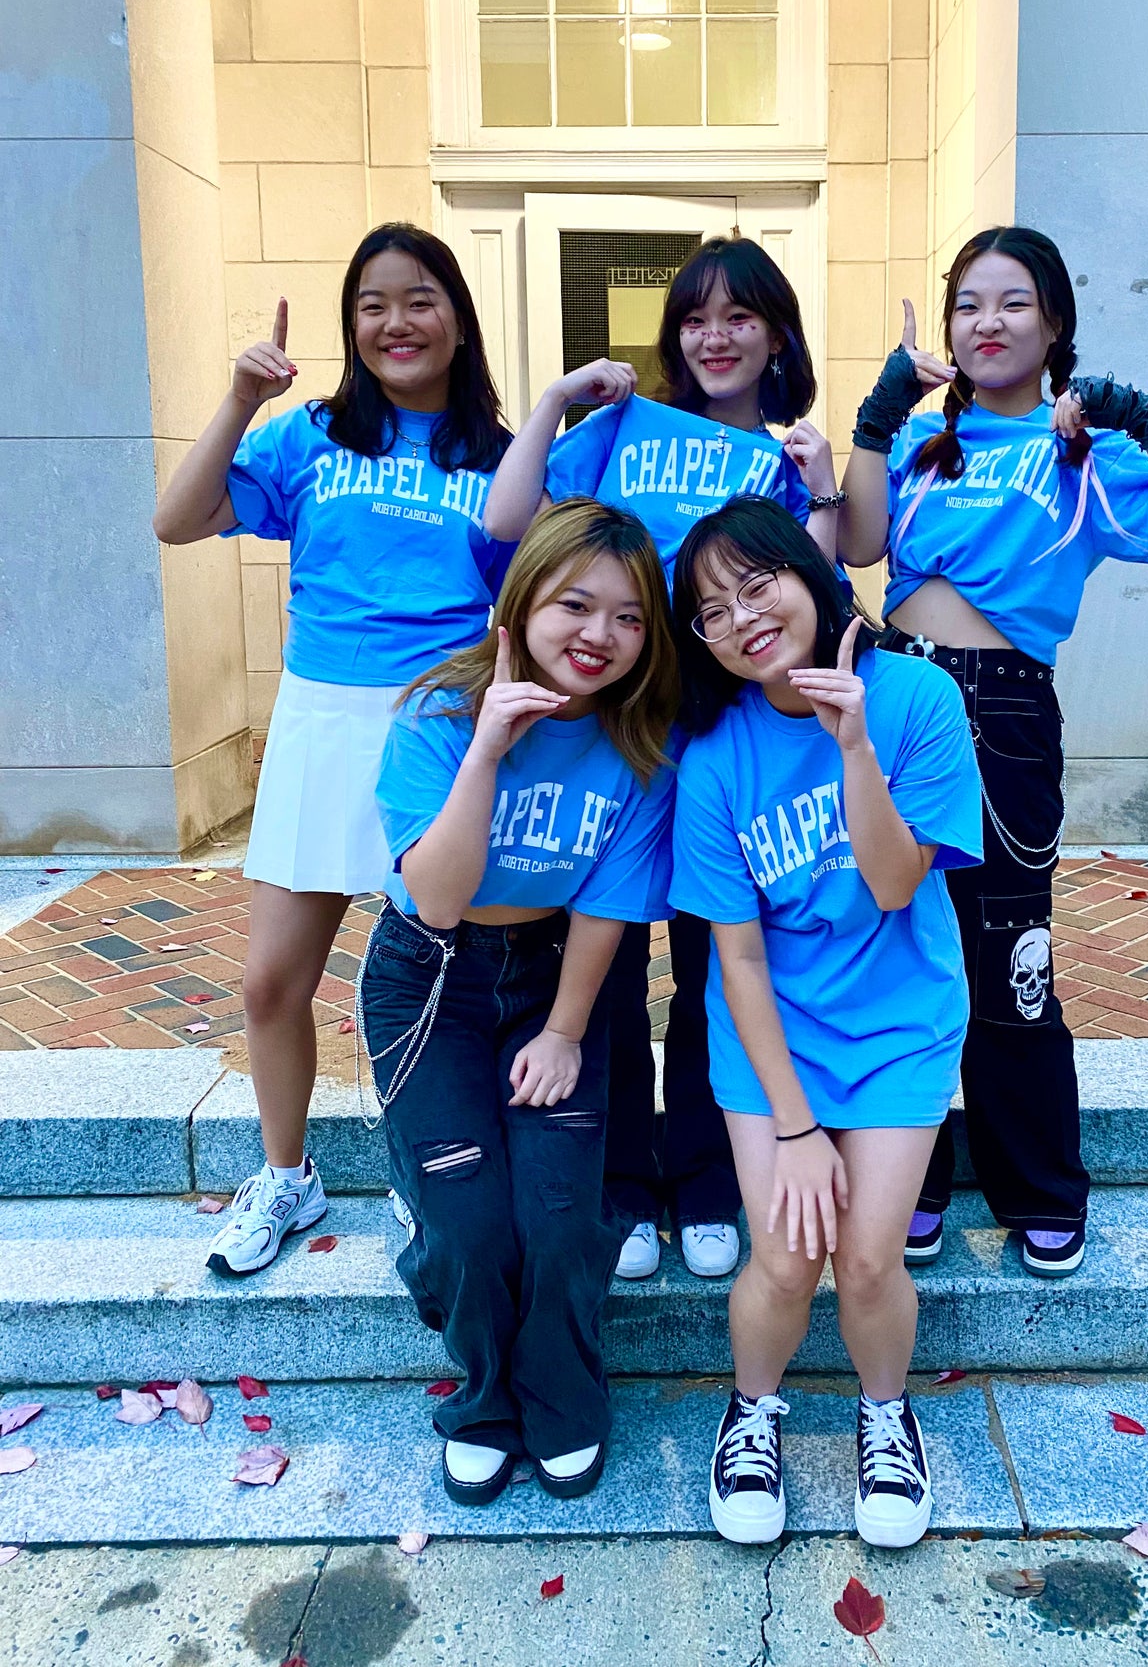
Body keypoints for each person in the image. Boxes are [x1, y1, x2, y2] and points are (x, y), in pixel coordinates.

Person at [838, 224, 1148, 1277]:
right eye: (967, 301)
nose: (986, 321)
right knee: (893, 936)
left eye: (1011, 301)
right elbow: (855, 545)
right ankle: (909, 1177)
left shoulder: (1084, 453)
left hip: (1004, 709)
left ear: (1053, 321)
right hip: (896, 692)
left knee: (1008, 958)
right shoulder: (928, 447)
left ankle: (1039, 1187)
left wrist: (1140, 416)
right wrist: (876, 423)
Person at [153, 223, 513, 1276]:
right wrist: (237, 399)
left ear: (457, 316)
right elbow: (176, 521)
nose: (396, 321)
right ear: (351, 326)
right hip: (321, 720)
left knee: (433, 989)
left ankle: (427, 1170)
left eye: (419, 298)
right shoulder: (307, 435)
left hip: (440, 727)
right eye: (372, 304)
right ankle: (288, 1174)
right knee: (272, 981)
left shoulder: (497, 455)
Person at [485, 237, 844, 1287]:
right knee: (594, 968)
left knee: (709, 966)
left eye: (738, 316)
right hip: (615, 732)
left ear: (776, 331)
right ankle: (621, 1184)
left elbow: (813, 604)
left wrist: (819, 494)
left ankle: (700, 1178)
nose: (714, 336)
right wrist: (554, 402)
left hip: (726, 745)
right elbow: (508, 522)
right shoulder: (619, 434)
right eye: (694, 317)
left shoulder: (785, 458)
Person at [668, 498, 982, 1548]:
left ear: (808, 574)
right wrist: (795, 1127)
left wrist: (851, 744)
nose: (743, 617)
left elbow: (895, 885)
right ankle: (751, 1410)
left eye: (757, 584)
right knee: (783, 1255)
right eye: (712, 610)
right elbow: (739, 956)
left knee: (864, 1255)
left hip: (899, 1020)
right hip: (775, 1031)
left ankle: (884, 1415)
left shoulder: (917, 699)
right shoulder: (713, 755)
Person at [358, 499, 679, 1506]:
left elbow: (605, 908)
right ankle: (484, 1398)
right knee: (468, 1227)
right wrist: (488, 753)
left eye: (628, 617)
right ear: (522, 602)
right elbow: (441, 896)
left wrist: (564, 1030)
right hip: (432, 979)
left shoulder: (638, 744)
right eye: (574, 605)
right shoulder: (437, 716)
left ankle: (564, 1400)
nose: (598, 635)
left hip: (551, 975)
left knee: (557, 1216)